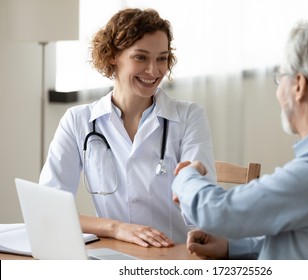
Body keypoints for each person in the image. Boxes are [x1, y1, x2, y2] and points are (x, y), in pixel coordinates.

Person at [172, 21, 308, 259]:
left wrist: (186, 177)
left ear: (299, 85)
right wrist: (233, 246)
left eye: (280, 77)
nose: (278, 91)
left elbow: (218, 213)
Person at [39, 8, 216, 248]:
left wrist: (193, 184)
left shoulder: (189, 117)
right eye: (141, 57)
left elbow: (203, 205)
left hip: (175, 252)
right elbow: (48, 208)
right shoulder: (78, 121)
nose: (154, 71)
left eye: (161, 58)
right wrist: (117, 228)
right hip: (113, 252)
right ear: (113, 55)